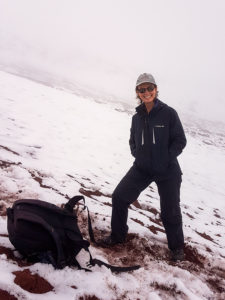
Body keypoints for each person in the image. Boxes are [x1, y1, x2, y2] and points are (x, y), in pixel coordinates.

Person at [101, 73, 187, 261]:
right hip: (142, 168)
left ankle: (177, 248)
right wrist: (138, 155)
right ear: (137, 93)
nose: (146, 92)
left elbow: (180, 140)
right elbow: (132, 140)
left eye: (149, 88)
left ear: (156, 90)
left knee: (170, 211)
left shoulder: (169, 113)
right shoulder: (136, 118)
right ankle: (118, 236)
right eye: (142, 89)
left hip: (167, 170)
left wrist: (165, 158)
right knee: (119, 197)